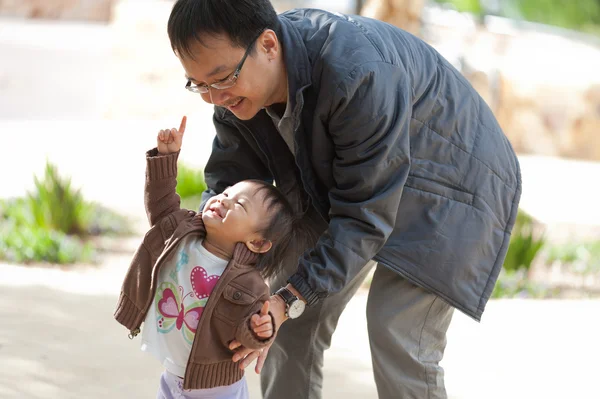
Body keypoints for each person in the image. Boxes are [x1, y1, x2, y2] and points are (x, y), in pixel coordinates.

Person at [166, 1, 523, 398]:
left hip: (450, 180)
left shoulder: (357, 74)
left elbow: (363, 215)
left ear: (268, 45)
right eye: (197, 84)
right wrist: (195, 247)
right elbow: (230, 179)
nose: (213, 98)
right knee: (280, 324)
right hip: (352, 182)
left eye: (220, 79)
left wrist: (292, 296)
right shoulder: (234, 93)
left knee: (396, 332)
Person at [114, 116, 303, 398]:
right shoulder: (184, 232)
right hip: (173, 375)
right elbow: (162, 203)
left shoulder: (249, 284)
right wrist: (166, 158)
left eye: (238, 204)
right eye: (226, 192)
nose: (222, 199)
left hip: (217, 389)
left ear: (258, 242)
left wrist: (260, 331)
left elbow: (244, 336)